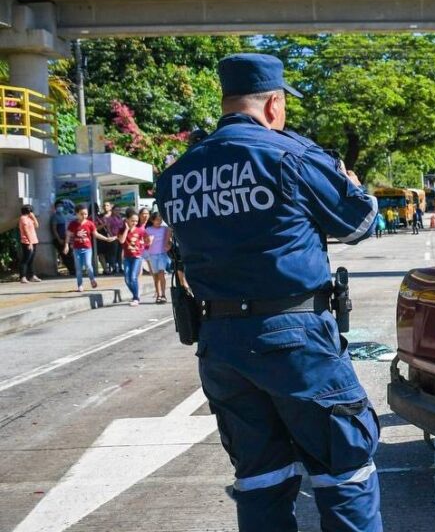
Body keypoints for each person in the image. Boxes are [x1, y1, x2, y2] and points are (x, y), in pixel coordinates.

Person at [155, 53, 382, 532]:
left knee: (260, 479)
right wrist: (354, 185)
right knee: (345, 471)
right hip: (297, 341)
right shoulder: (290, 156)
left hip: (221, 345)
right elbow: (360, 222)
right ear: (274, 105)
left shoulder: (176, 175)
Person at [65, 204, 115, 292]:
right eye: (81, 214)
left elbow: (96, 234)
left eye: (85, 214)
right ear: (76, 214)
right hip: (76, 249)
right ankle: (80, 285)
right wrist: (66, 245)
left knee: (88, 265)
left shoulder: (90, 223)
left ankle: (92, 279)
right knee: (79, 268)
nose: (84, 216)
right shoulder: (73, 224)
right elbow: (68, 235)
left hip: (87, 248)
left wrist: (106, 239)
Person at [118, 212, 150, 306]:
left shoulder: (140, 230)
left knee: (133, 277)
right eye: (132, 220)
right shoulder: (121, 230)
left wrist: (145, 243)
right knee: (127, 279)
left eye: (136, 221)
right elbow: (122, 241)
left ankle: (136, 298)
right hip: (127, 257)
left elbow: (147, 240)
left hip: (137, 257)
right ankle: (135, 294)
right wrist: (126, 230)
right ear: (126, 220)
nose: (135, 223)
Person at [144, 213, 171, 304]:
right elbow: (145, 242)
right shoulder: (148, 230)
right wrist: (148, 241)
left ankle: (163, 294)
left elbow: (170, 236)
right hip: (152, 255)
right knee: (156, 276)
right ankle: (158, 294)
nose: (159, 222)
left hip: (162, 254)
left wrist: (168, 244)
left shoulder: (165, 229)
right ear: (152, 220)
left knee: (161, 273)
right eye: (157, 220)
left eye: (160, 220)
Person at [51, 199, 75, 276]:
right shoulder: (54, 217)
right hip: (60, 239)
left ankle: (73, 271)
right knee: (65, 256)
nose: (60, 207)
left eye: (61, 206)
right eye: (58, 206)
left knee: (70, 255)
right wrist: (59, 239)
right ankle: (72, 271)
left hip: (66, 238)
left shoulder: (64, 215)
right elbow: (54, 229)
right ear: (55, 207)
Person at [18, 205, 41, 283]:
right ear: (28, 211)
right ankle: (22, 277)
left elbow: (37, 226)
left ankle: (32, 276)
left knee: (31, 260)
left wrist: (33, 217)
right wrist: (30, 243)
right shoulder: (23, 218)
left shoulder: (29, 218)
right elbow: (26, 231)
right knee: (25, 259)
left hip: (34, 241)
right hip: (27, 242)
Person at [102, 203, 126, 275]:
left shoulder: (121, 218)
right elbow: (108, 228)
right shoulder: (109, 218)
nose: (117, 211)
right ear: (113, 210)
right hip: (114, 238)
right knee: (113, 253)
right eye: (116, 210)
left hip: (120, 238)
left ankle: (120, 267)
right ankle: (114, 267)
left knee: (120, 253)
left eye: (119, 210)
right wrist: (112, 236)